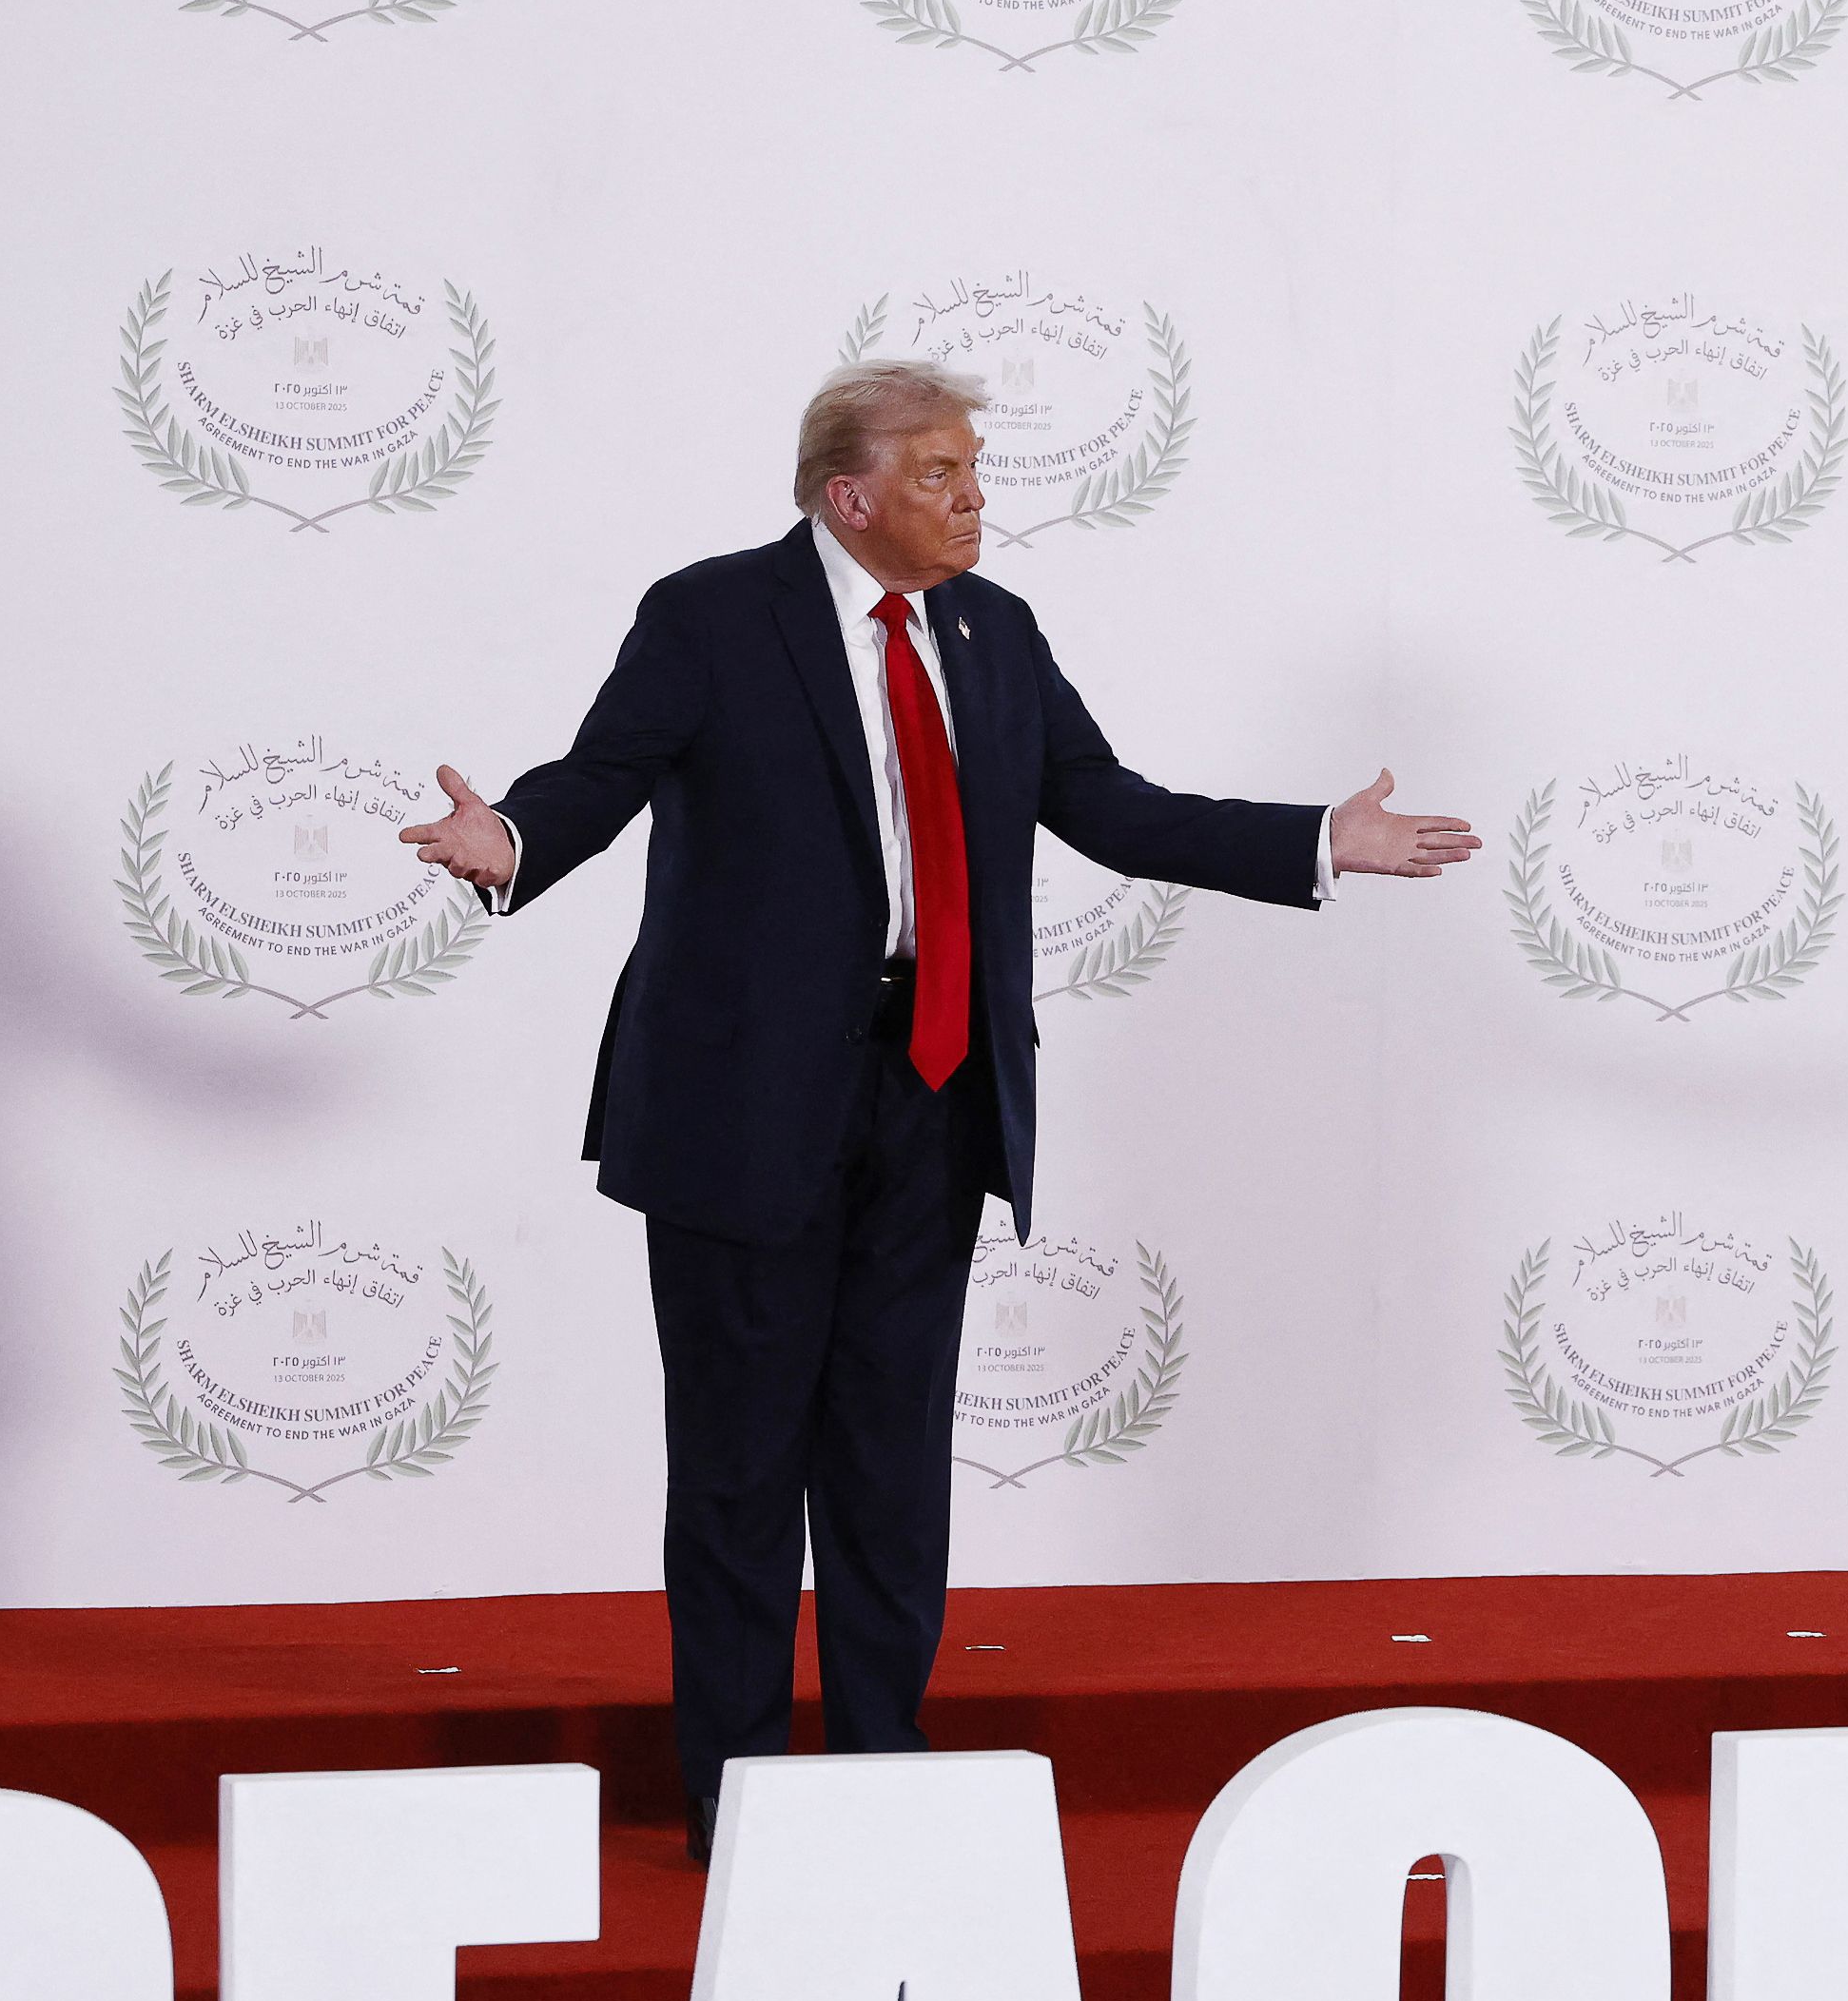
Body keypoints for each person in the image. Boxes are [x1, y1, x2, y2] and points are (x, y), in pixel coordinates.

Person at [398, 361, 1477, 1861]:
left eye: (976, 472)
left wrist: (1319, 839)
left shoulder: (995, 630)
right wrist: (504, 837)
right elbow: (605, 775)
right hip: (740, 1107)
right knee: (738, 1467)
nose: (978, 501)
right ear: (852, 496)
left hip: (936, 1088)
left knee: (891, 1459)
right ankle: (739, 1794)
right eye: (946, 476)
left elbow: (1110, 805)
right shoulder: (712, 616)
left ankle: (883, 1767)